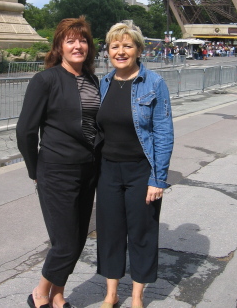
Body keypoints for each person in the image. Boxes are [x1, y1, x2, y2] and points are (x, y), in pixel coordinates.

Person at [16, 17, 100, 308]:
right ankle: (39, 293)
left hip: (88, 169)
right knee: (63, 242)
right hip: (56, 170)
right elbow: (26, 130)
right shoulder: (46, 80)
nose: (78, 45)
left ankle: (58, 295)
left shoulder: (92, 80)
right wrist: (34, 170)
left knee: (77, 239)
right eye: (71, 40)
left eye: (83, 40)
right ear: (59, 47)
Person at [96, 21, 174, 308]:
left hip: (142, 170)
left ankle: (138, 296)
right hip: (107, 170)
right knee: (110, 232)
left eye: (127, 45)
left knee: (142, 233)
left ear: (139, 50)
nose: (120, 51)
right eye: (115, 46)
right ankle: (111, 293)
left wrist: (158, 178)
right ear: (108, 51)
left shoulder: (154, 83)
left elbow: (164, 132)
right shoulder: (104, 83)